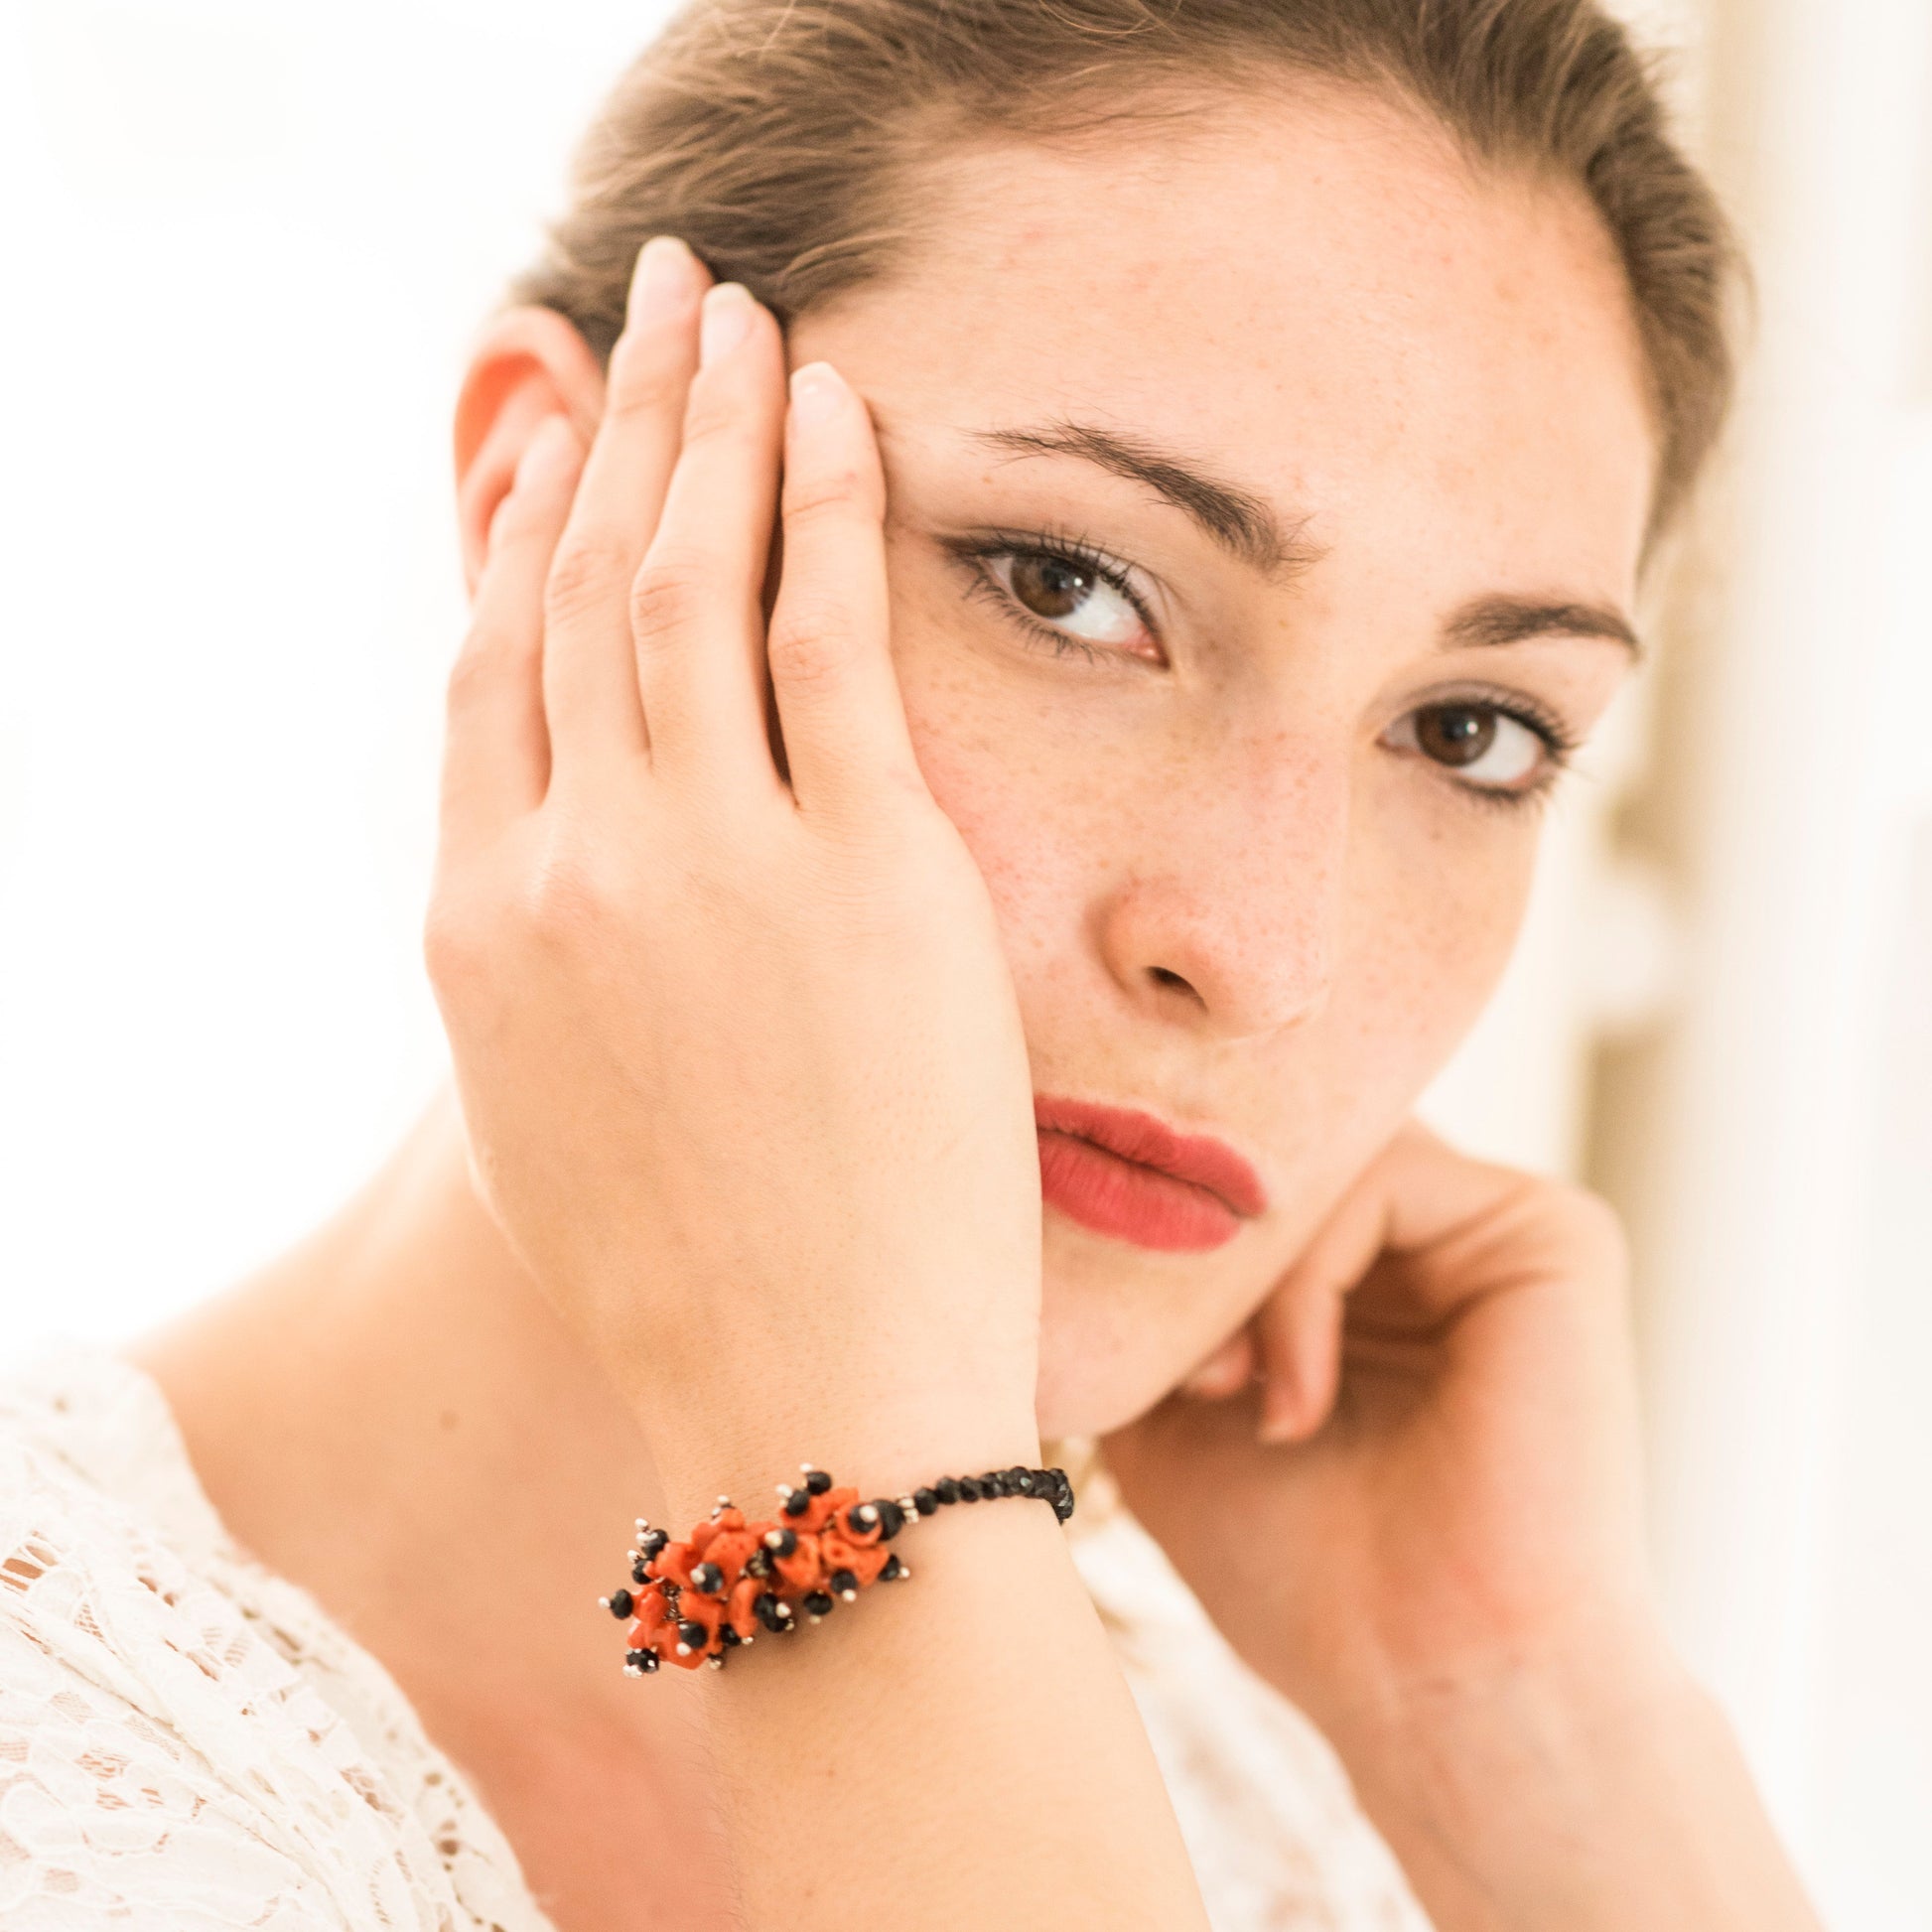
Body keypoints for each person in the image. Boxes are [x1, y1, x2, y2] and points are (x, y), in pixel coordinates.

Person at [0, 2, 1823, 1928]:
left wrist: (1524, 1732)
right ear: (548, 504)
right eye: (1071, 584)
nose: (1262, 953)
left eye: (1469, 732)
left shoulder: (1301, 1794)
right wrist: (860, 1459)